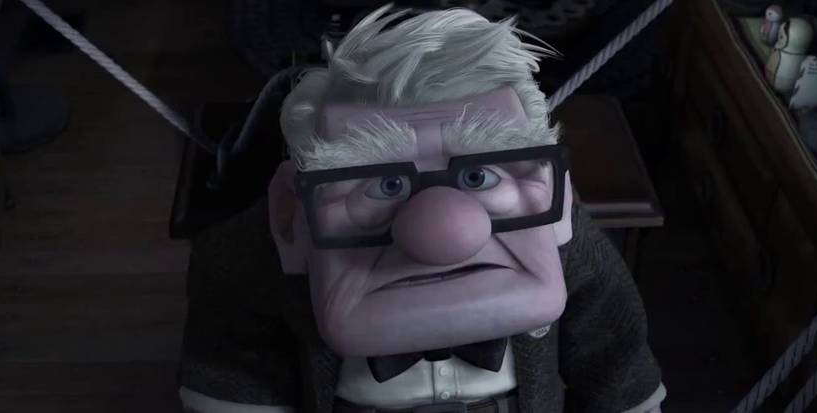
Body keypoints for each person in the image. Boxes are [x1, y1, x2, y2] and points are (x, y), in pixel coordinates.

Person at [179, 5, 666, 413]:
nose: (444, 233)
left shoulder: (566, 239)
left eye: (478, 176)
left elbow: (612, 349)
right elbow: (234, 367)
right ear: (291, 209)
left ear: (553, 183)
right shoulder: (252, 255)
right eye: (386, 184)